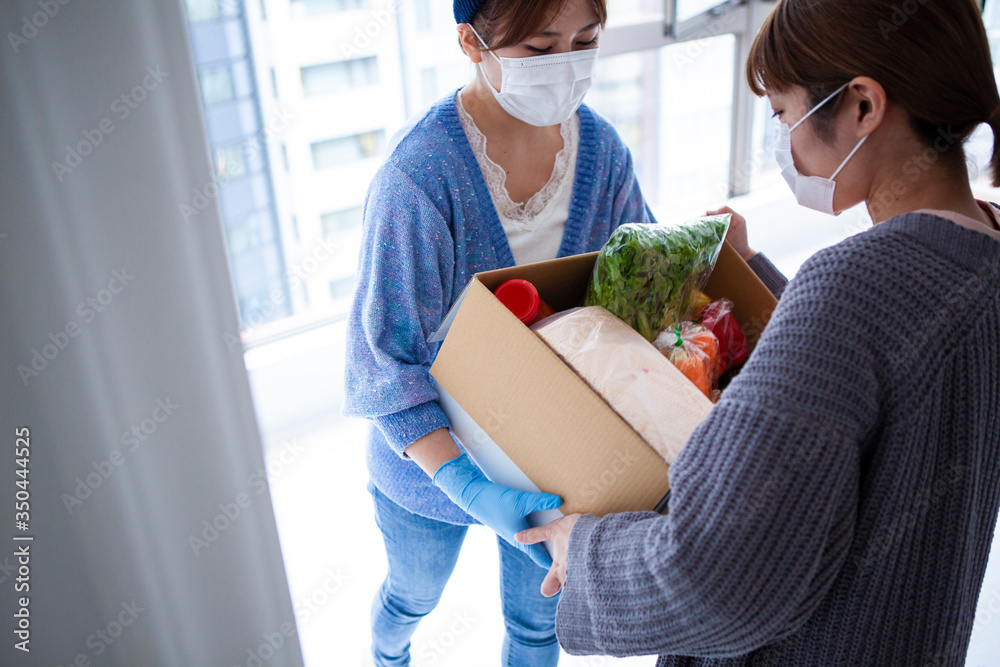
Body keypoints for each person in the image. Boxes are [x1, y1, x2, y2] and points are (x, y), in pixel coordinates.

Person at [518, 0, 1000, 665]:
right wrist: (764, 279)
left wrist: (587, 548)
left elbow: (717, 578)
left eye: (783, 114)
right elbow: (876, 385)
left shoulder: (850, 290)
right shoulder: (984, 251)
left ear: (862, 105)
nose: (781, 144)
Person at [344, 1, 661, 664]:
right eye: (541, 50)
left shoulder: (601, 154)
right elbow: (384, 364)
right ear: (470, 43)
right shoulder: (420, 177)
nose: (567, 64)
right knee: (412, 596)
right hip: (429, 468)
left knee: (538, 626)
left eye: (586, 41)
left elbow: (641, 288)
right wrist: (465, 484)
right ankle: (385, 654)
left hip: (552, 461)